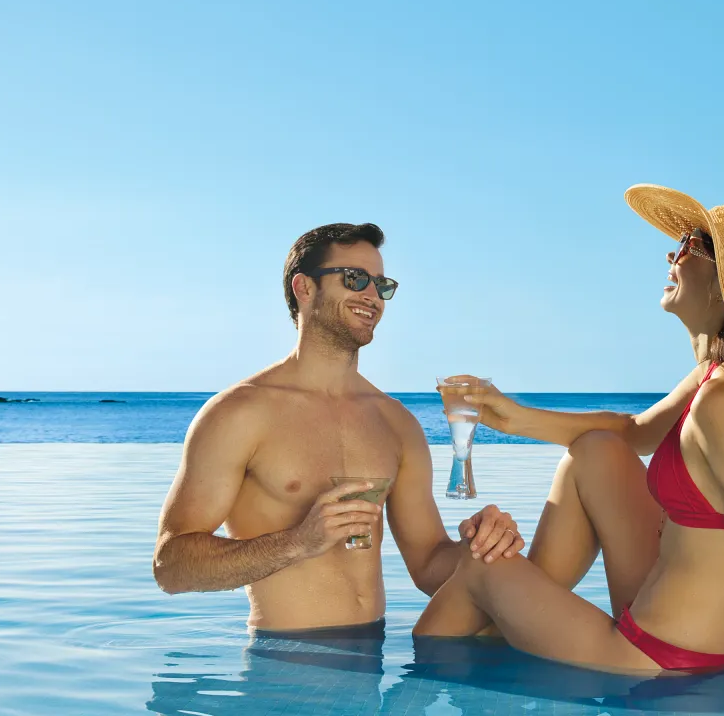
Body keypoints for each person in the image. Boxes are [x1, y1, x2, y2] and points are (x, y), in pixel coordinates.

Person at [414, 186, 724, 701]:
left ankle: (421, 697)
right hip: (709, 642)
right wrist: (509, 415)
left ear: (723, 287)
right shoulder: (717, 377)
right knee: (597, 451)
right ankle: (518, 614)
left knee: (477, 569)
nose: (672, 256)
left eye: (691, 245)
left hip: (666, 660)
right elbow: (630, 432)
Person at [153, 222, 524, 633]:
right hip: (285, 666)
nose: (372, 296)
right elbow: (171, 567)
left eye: (381, 285)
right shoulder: (239, 413)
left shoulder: (395, 422)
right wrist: (299, 542)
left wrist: (482, 547)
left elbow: (428, 566)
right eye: (355, 278)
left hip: (373, 658)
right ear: (304, 288)